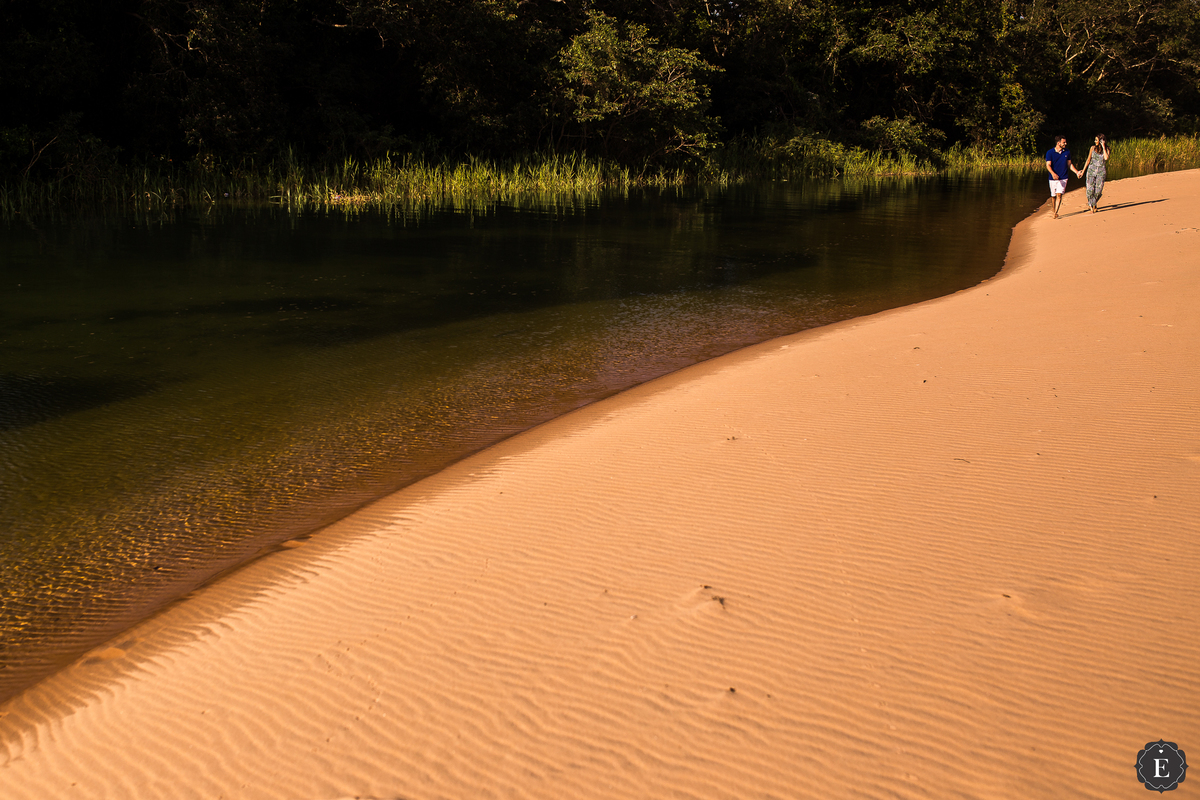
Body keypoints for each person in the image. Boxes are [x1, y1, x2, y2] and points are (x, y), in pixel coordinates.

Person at [1044, 136, 1079, 219]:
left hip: (1063, 177)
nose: (1065, 144)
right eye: (1064, 142)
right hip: (1053, 178)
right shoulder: (1050, 152)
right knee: (1053, 196)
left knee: (1059, 195)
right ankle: (1054, 210)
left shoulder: (1067, 152)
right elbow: (1048, 165)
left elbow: (1069, 164)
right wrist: (1053, 173)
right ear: (1058, 143)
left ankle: (1055, 212)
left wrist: (1077, 172)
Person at [1083, 134, 1110, 213]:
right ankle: (1092, 206)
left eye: (1096, 140)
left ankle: (1091, 203)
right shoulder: (1092, 148)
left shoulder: (1107, 149)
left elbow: (1106, 158)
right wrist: (1083, 171)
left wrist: (1103, 146)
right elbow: (1088, 160)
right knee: (1090, 190)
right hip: (1091, 171)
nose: (1095, 141)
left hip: (1101, 172)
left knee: (1098, 191)